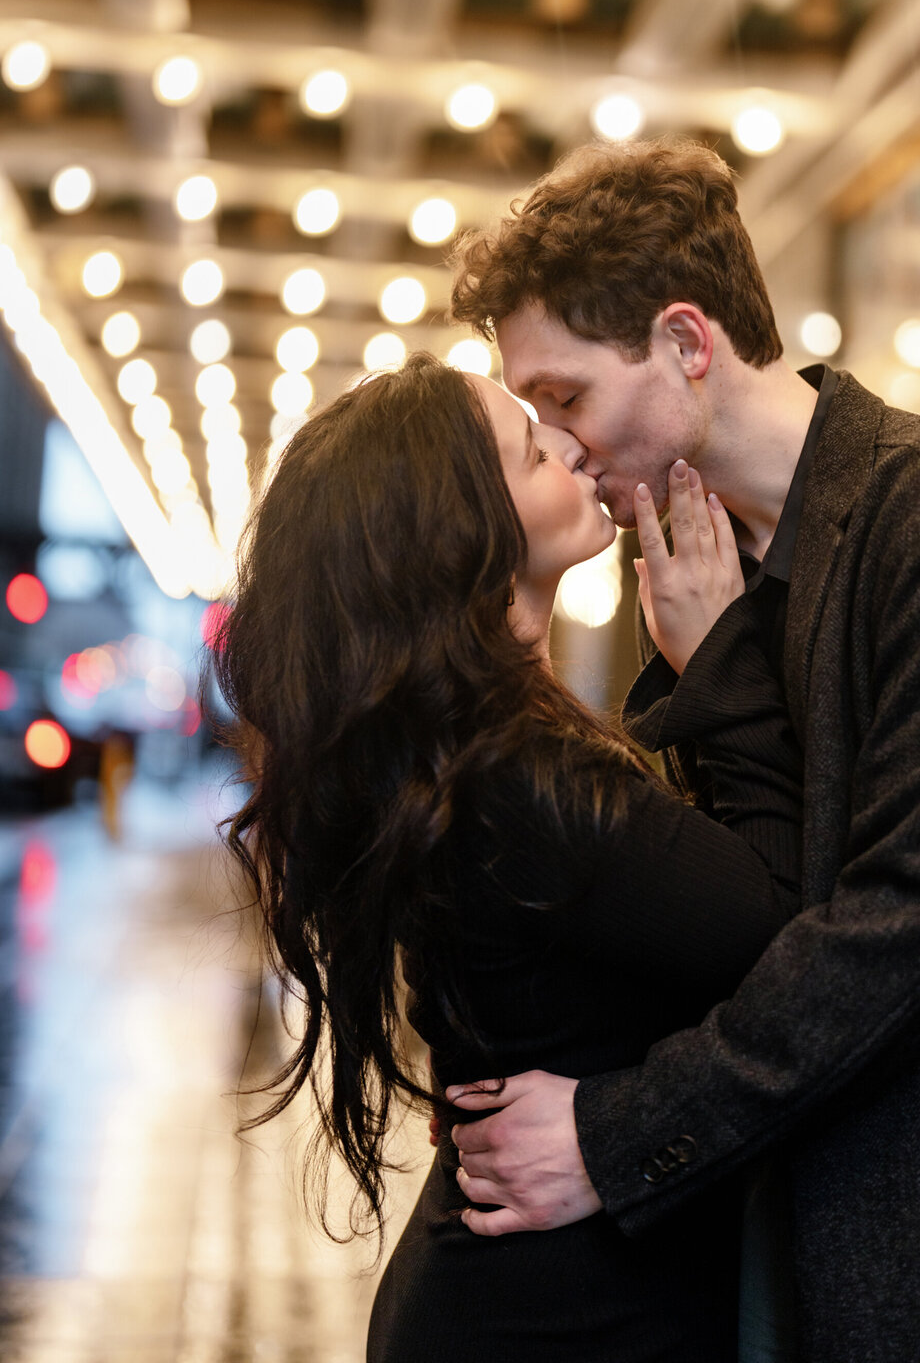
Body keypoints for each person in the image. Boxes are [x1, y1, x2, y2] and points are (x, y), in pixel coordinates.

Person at [444, 134, 920, 1362]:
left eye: (565, 397)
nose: (562, 446)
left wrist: (618, 1134)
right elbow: (734, 913)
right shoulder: (697, 569)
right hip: (792, 1234)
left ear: (688, 343)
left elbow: (916, 922)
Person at [213, 351, 807, 1363]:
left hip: (521, 1290)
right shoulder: (517, 777)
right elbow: (785, 935)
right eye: (536, 449)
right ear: (462, 538)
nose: (572, 444)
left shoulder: (461, 757)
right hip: (554, 1315)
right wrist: (722, 671)